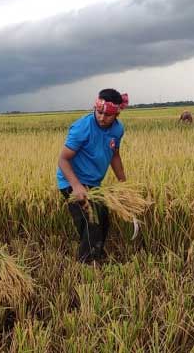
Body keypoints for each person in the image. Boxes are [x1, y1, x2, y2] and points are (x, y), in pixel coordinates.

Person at [57, 89, 128, 263]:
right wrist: (76, 186)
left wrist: (123, 183)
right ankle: (86, 264)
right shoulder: (82, 128)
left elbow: (115, 155)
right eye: (99, 112)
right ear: (95, 108)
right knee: (91, 223)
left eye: (108, 115)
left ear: (117, 114)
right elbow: (63, 160)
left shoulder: (118, 130)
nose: (102, 118)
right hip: (71, 181)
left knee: (103, 219)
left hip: (94, 183)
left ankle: (97, 255)